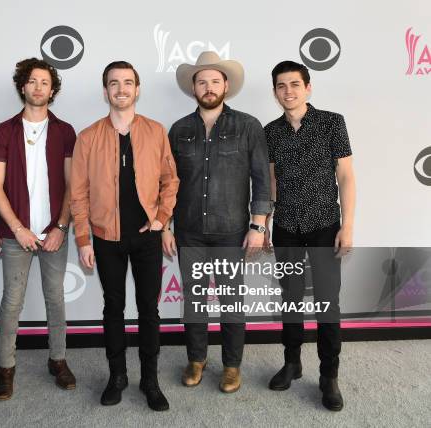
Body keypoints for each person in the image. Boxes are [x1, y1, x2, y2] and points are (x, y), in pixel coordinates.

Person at [70, 61, 179, 411]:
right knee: (113, 308)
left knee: (149, 309)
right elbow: (79, 193)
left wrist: (162, 218)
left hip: (147, 237)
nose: (121, 89)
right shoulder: (88, 136)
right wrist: (83, 239)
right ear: (105, 91)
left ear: (137, 89)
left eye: (128, 82)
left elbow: (170, 180)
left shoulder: (155, 131)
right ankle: (117, 377)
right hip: (105, 238)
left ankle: (150, 380)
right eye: (114, 83)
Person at [163, 51, 272, 393]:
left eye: (214, 81)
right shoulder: (179, 130)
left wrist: (258, 226)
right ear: (192, 88)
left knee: (231, 301)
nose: (208, 87)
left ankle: (231, 365)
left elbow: (262, 179)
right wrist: (166, 225)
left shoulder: (248, 126)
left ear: (226, 85)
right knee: (194, 300)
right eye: (201, 81)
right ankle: (196, 359)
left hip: (231, 231)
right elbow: (167, 183)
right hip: (189, 232)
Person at [264, 60, 356, 411]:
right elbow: (271, 181)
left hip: (324, 227)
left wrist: (347, 226)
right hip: (286, 227)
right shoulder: (270, 131)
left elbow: (346, 176)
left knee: (327, 303)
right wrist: (266, 223)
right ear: (275, 92)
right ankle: (292, 363)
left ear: (308, 87)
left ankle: (329, 375)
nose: (288, 91)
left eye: (294, 84)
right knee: (290, 298)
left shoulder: (333, 123)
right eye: (281, 86)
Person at [0, 58, 76, 400]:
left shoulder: (65, 131)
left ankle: (58, 360)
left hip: (55, 232)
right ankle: (6, 367)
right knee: (12, 301)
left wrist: (61, 227)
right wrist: (18, 228)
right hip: (15, 234)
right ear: (22, 86)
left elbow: (72, 186)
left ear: (51, 90)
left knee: (56, 298)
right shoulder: (4, 131)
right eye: (32, 81)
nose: (38, 87)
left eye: (44, 82)